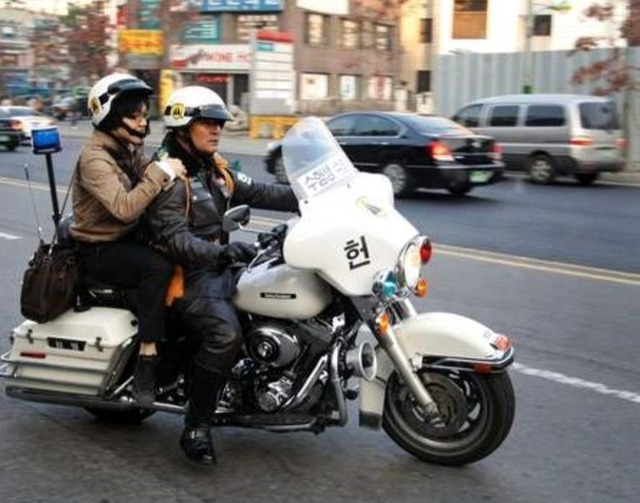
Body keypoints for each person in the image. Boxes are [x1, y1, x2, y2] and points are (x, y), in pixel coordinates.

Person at [144, 86, 298, 465]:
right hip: (186, 277)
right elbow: (176, 241)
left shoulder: (214, 169)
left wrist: (313, 194)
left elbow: (261, 191)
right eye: (207, 123)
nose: (216, 130)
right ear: (183, 128)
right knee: (224, 334)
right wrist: (222, 252)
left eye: (219, 124)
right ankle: (196, 426)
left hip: (218, 267)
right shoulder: (168, 175)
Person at [70, 73, 186, 406]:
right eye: (133, 116)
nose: (142, 123)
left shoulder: (126, 150)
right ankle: (147, 359)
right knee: (156, 267)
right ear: (108, 117)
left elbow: (152, 178)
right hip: (98, 248)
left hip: (125, 239)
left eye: (144, 115)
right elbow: (124, 208)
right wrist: (160, 172)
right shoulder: (95, 159)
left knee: (184, 256)